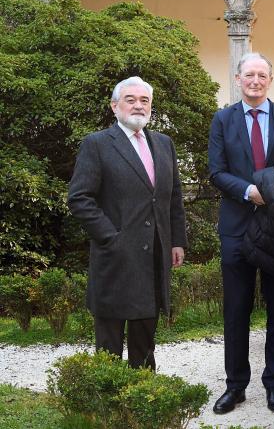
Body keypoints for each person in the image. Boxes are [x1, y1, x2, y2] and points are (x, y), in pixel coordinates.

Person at [208, 53, 274, 414]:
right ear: (238, 79)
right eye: (249, 74)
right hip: (237, 226)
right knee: (236, 310)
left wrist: (273, 190)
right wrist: (250, 191)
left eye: (261, 75)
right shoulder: (223, 119)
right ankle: (235, 386)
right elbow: (216, 171)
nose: (255, 81)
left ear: (270, 80)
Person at [68, 76, 186, 370]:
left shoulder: (164, 144)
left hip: (154, 258)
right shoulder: (97, 144)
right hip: (115, 258)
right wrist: (111, 237)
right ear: (114, 106)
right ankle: (107, 397)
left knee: (145, 346)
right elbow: (79, 198)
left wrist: (176, 241)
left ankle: (143, 393)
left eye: (144, 100)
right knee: (108, 347)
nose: (138, 106)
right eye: (130, 100)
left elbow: (173, 197)